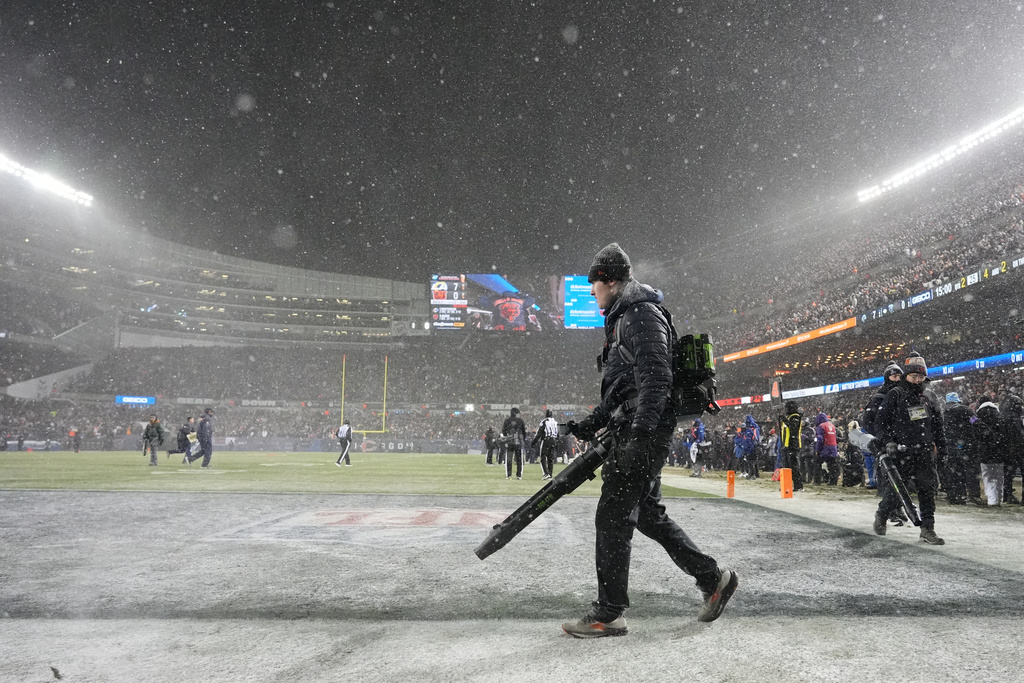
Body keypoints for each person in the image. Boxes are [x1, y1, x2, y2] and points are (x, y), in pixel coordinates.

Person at [561, 242, 737, 638]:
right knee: (646, 514)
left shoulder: (640, 313)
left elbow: (657, 380)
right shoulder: (625, 317)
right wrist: (590, 424)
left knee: (612, 515)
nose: (592, 293)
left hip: (645, 432)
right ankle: (713, 579)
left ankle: (609, 612)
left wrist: (641, 434)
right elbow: (624, 390)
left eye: (595, 284)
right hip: (638, 428)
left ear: (609, 281)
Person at [872, 354, 946, 545]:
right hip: (902, 451)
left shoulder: (929, 396)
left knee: (927, 491)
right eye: (914, 376)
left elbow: (938, 426)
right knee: (897, 490)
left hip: (924, 451)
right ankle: (882, 514)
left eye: (920, 377)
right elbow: (880, 423)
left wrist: (942, 448)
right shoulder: (895, 394)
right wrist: (888, 441)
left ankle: (927, 528)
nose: (917, 380)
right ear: (906, 376)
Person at [941, 392, 980, 505]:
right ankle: (973, 495)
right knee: (970, 470)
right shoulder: (965, 409)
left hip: (950, 445)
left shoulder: (945, 412)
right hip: (967, 444)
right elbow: (975, 422)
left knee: (954, 470)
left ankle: (955, 495)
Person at [975, 401, 1004, 506]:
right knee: (999, 477)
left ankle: (992, 500)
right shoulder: (1000, 418)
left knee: (988, 477)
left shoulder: (977, 419)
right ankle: (999, 499)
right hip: (999, 451)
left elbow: (976, 435)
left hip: (985, 453)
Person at [1000, 395, 1024, 505]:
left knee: (1008, 474)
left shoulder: (1002, 417)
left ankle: (1007, 495)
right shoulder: (1015, 418)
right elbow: (1019, 435)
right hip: (1018, 449)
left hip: (1006, 449)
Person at [779, 401, 804, 491]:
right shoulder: (790, 417)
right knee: (787, 467)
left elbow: (793, 428)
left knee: (794, 467)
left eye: (787, 408)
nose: (785, 410)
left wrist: (784, 420)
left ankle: (798, 486)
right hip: (787, 445)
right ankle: (787, 485)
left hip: (793, 444)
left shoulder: (795, 417)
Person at [532, 410, 559, 480]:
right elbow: (557, 433)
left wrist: (533, 442)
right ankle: (550, 474)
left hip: (546, 440)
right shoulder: (555, 422)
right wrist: (557, 443)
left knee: (543, 457)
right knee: (550, 458)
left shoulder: (544, 422)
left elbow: (539, 433)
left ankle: (546, 473)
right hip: (553, 440)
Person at [814, 412, 839, 485]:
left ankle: (817, 481)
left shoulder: (821, 426)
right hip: (833, 448)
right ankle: (833, 482)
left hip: (825, 448)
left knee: (817, 464)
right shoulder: (832, 426)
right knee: (832, 466)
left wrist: (817, 450)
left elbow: (820, 439)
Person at [501, 407, 527, 480]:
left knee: (509, 459)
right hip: (518, 441)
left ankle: (509, 475)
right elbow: (524, 432)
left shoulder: (507, 420)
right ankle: (519, 475)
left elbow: (503, 431)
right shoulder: (520, 421)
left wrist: (507, 437)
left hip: (510, 442)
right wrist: (523, 439)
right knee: (519, 459)